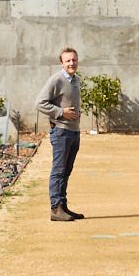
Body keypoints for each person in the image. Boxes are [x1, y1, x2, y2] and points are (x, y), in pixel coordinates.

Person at [36, 46, 84, 222]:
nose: (72, 63)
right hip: (61, 132)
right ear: (61, 63)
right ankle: (55, 208)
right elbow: (40, 103)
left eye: (74, 60)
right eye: (68, 61)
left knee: (66, 171)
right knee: (58, 170)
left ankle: (62, 206)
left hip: (74, 131)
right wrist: (61, 112)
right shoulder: (56, 80)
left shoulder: (75, 79)